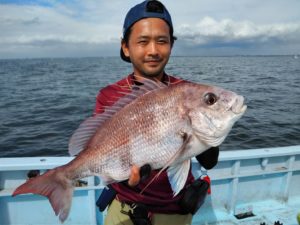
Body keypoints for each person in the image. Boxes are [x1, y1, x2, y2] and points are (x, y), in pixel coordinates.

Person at [94, 1, 219, 225]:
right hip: (123, 211)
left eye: (162, 41)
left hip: (174, 214)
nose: (153, 50)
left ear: (171, 45)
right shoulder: (109, 95)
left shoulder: (189, 93)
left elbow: (209, 161)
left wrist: (208, 128)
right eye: (143, 41)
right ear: (125, 47)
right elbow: (104, 160)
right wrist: (123, 181)